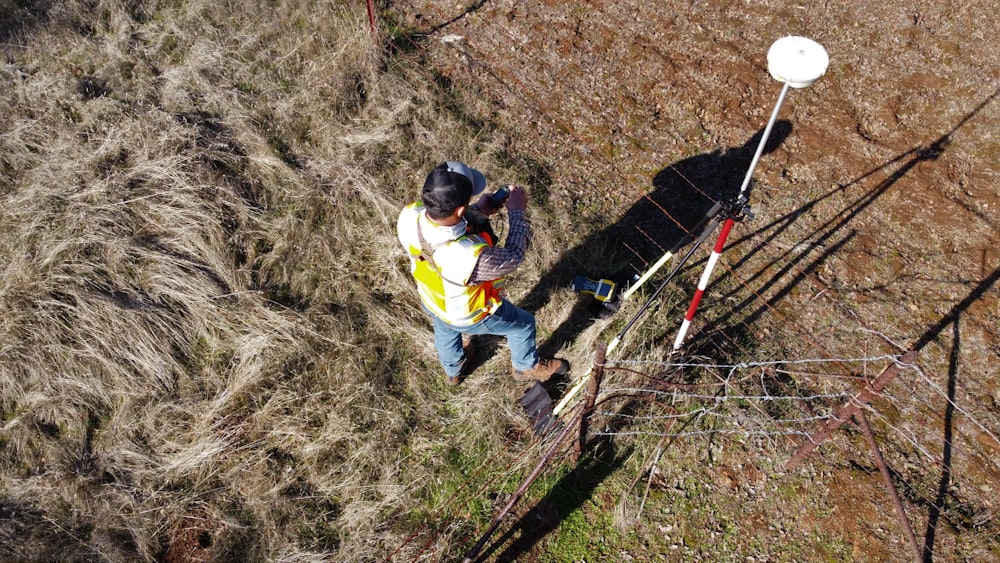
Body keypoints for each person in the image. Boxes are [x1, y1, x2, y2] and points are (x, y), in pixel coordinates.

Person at [397, 161, 569, 386]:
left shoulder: (409, 215)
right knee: (524, 324)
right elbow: (514, 256)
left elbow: (443, 226)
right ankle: (525, 367)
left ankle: (454, 369)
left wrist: (478, 211)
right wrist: (517, 211)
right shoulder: (470, 256)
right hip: (469, 315)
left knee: (444, 328)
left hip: (432, 299)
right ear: (459, 209)